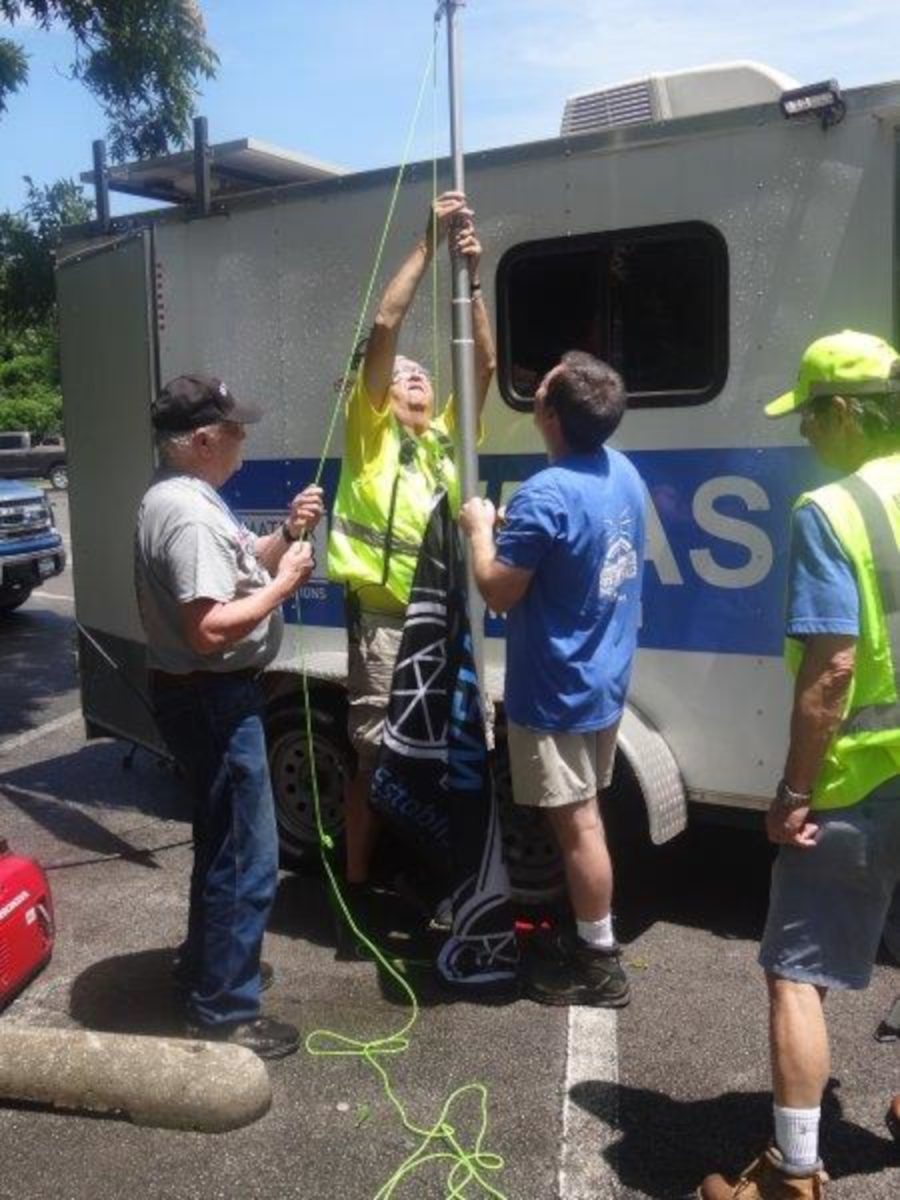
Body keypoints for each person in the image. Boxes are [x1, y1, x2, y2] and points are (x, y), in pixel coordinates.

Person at [699, 330, 900, 1199]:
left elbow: (833, 668)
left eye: (812, 416)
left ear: (846, 412)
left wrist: (791, 793)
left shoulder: (834, 510)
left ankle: (792, 1173)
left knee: (796, 973)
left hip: (864, 778)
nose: (806, 433)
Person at [135, 373, 324, 1060]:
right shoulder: (187, 514)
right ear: (203, 440)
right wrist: (286, 585)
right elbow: (209, 629)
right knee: (247, 855)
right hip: (210, 696)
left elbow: (239, 566)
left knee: (221, 843)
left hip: (203, 695)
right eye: (235, 429)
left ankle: (206, 968)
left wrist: (286, 534)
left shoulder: (186, 496)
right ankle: (224, 1011)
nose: (245, 438)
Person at [459, 351, 646, 1006]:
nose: (535, 388)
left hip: (557, 688)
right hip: (604, 677)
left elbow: (498, 590)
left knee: (579, 826)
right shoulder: (621, 470)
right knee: (586, 817)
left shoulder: (545, 493)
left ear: (551, 416)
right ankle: (585, 932)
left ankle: (599, 963)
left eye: (541, 387)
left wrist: (479, 530)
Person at [327, 190, 496, 908]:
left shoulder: (448, 441)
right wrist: (429, 245)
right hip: (387, 625)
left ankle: (429, 877)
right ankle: (357, 887)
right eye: (402, 373)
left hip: (445, 625)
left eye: (423, 371)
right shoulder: (371, 436)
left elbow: (484, 366)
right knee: (376, 758)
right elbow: (385, 325)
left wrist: (472, 280)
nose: (416, 374)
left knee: (443, 755)